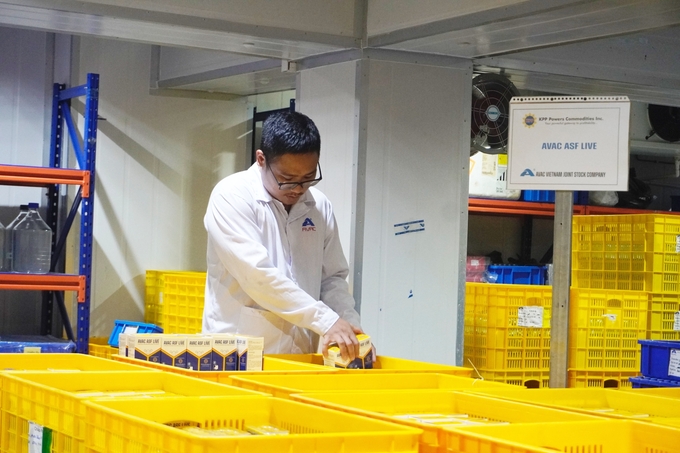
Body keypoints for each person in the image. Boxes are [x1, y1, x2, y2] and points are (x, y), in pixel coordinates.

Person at [202, 110, 366, 360]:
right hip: (237, 354)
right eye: (287, 179)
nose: (298, 189)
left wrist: (351, 329)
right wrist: (325, 320)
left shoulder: (319, 206)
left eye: (309, 178)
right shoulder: (231, 197)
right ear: (261, 159)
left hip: (301, 354)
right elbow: (257, 276)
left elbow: (331, 279)